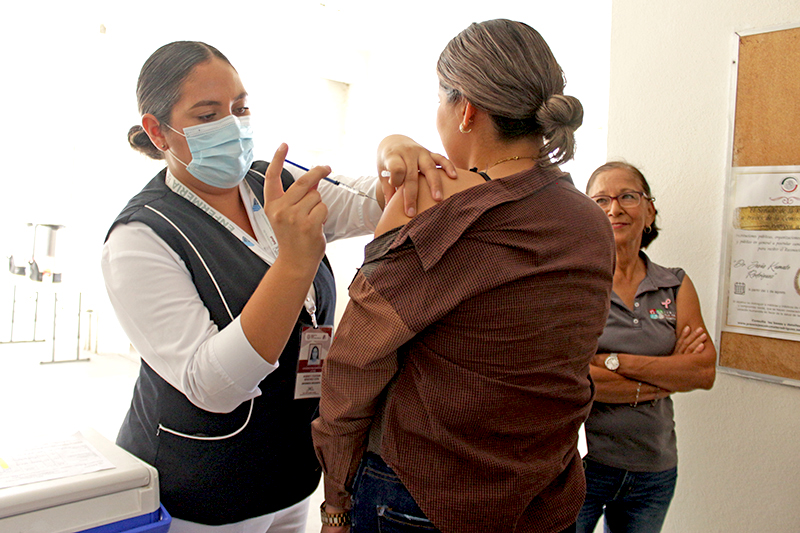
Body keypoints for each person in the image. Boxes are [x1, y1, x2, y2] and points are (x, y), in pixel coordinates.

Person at [101, 41, 454, 533]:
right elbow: (212, 385)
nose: (232, 125)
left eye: (240, 109)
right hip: (201, 497)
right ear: (158, 130)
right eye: (207, 115)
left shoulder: (272, 181)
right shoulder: (141, 237)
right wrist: (293, 265)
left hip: (289, 477)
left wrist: (393, 152)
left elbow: (375, 203)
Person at [311, 19, 616, 533]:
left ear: (466, 108)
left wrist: (336, 501)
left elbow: (353, 370)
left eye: (439, 99)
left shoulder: (435, 210)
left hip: (424, 496)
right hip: (543, 493)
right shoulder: (589, 219)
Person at [576, 161, 716, 533]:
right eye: (601, 200)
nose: (615, 208)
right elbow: (572, 379)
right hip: (582, 469)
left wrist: (613, 361)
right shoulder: (576, 284)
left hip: (654, 469)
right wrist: (667, 373)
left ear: (650, 210)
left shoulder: (675, 285)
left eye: (628, 197)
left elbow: (702, 371)